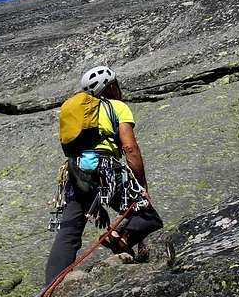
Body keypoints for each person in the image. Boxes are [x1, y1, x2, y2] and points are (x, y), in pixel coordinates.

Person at [44, 66, 163, 284]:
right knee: (148, 216)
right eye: (115, 85)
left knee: (69, 232)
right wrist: (142, 187)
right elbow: (130, 148)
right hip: (105, 169)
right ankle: (120, 236)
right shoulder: (117, 107)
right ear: (110, 87)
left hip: (75, 173)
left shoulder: (81, 114)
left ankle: (52, 286)